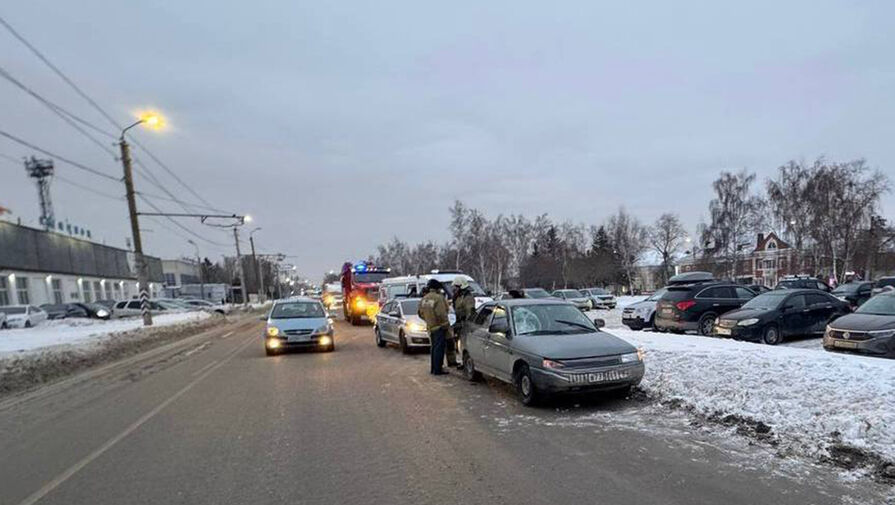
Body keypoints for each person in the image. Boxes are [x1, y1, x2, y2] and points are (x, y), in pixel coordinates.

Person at [418, 279, 452, 375]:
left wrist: (428, 320)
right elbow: (441, 313)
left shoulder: (424, 299)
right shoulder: (439, 298)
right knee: (439, 349)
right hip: (439, 327)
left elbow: (420, 313)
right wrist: (445, 324)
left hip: (430, 327)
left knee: (433, 348)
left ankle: (433, 368)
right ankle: (438, 370)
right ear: (437, 288)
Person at [451, 276, 477, 368]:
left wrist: (465, 324)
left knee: (465, 344)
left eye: (456, 287)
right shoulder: (458, 297)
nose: (454, 289)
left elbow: (470, 313)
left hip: (465, 325)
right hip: (459, 324)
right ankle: (463, 361)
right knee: (460, 344)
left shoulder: (468, 297)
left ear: (461, 286)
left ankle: (466, 363)